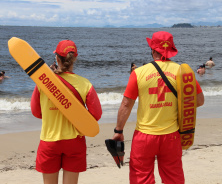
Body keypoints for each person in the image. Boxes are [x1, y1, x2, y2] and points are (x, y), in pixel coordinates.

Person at [112, 31, 204, 184]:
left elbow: (126, 105)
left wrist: (118, 131)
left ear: (153, 49)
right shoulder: (182, 72)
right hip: (171, 136)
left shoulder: (138, 73)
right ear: (171, 50)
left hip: (144, 136)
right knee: (173, 178)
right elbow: (199, 101)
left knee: (141, 177)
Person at [30, 40, 102, 184]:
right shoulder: (85, 83)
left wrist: (53, 112)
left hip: (50, 140)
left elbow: (36, 112)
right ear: (75, 58)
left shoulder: (43, 83)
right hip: (74, 141)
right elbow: (96, 115)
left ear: (56, 58)